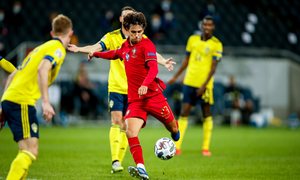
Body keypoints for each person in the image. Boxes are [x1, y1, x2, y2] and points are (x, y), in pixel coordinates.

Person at [68, 6, 175, 173]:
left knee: (168, 127)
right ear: (122, 20)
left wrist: (162, 64)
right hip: (122, 89)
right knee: (122, 124)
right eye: (127, 18)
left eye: (139, 30)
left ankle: (172, 135)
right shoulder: (114, 39)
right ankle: (121, 162)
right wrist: (83, 50)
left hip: (146, 93)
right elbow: (105, 50)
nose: (136, 33)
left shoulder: (143, 40)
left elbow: (153, 59)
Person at [1, 14, 73, 179]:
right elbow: (43, 69)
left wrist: (3, 103)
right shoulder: (58, 49)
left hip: (11, 98)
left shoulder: (39, 48)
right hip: (22, 101)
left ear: (52, 32)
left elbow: (13, 75)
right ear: (70, 33)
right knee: (30, 150)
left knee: (24, 150)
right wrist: (46, 103)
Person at [168, 15, 223, 157]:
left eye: (210, 25)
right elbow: (186, 61)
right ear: (202, 26)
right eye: (205, 25)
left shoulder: (216, 44)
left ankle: (205, 148)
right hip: (189, 82)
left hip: (204, 86)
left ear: (213, 27)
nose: (207, 27)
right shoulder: (192, 40)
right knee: (184, 113)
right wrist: (176, 76)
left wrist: (204, 85)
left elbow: (213, 68)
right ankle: (177, 146)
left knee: (206, 114)